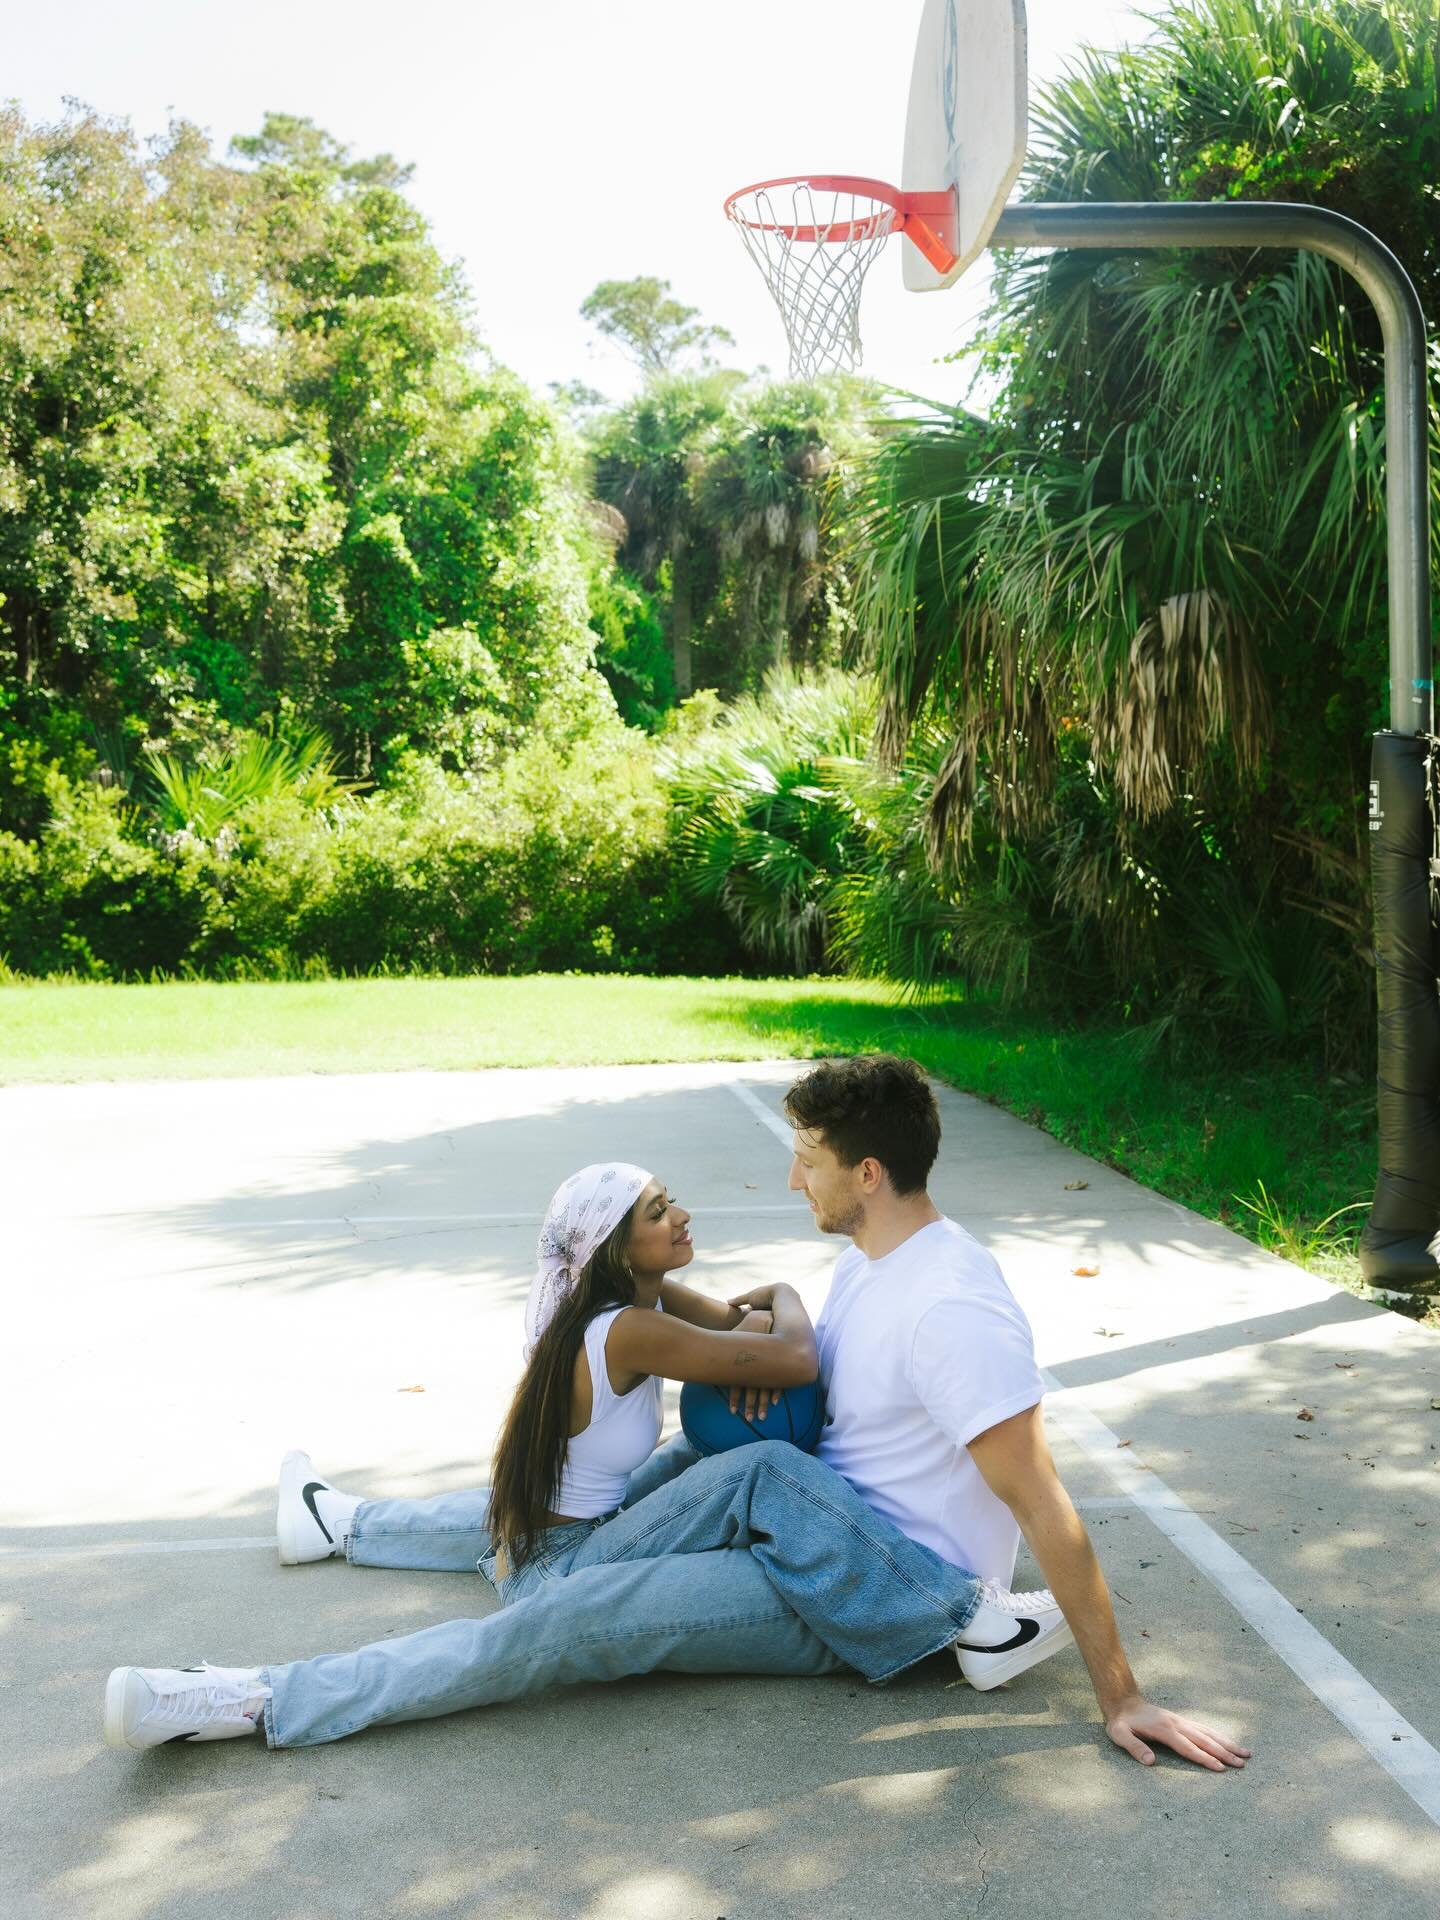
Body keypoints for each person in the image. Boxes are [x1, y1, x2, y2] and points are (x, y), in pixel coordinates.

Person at [105, 1058, 1250, 1773]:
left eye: (806, 1161)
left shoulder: (953, 1305)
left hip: (856, 1592)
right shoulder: (865, 1264)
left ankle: (250, 1699)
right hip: (800, 1519)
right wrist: (765, 1366)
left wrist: (1123, 1693)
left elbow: (1044, 1503)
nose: (790, 1181)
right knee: (599, 1508)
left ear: (864, 1171)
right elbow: (797, 1367)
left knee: (559, 1621)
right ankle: (346, 1522)